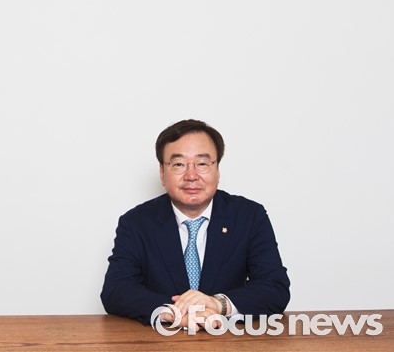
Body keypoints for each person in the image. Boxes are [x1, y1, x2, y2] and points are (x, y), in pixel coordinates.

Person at [100, 119, 290, 327]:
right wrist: (172, 312)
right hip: (162, 339)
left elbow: (275, 287)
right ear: (162, 173)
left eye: (202, 164)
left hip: (230, 337)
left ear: (217, 170)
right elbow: (116, 290)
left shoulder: (249, 216)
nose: (191, 176)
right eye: (179, 164)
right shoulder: (136, 222)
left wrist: (218, 304)